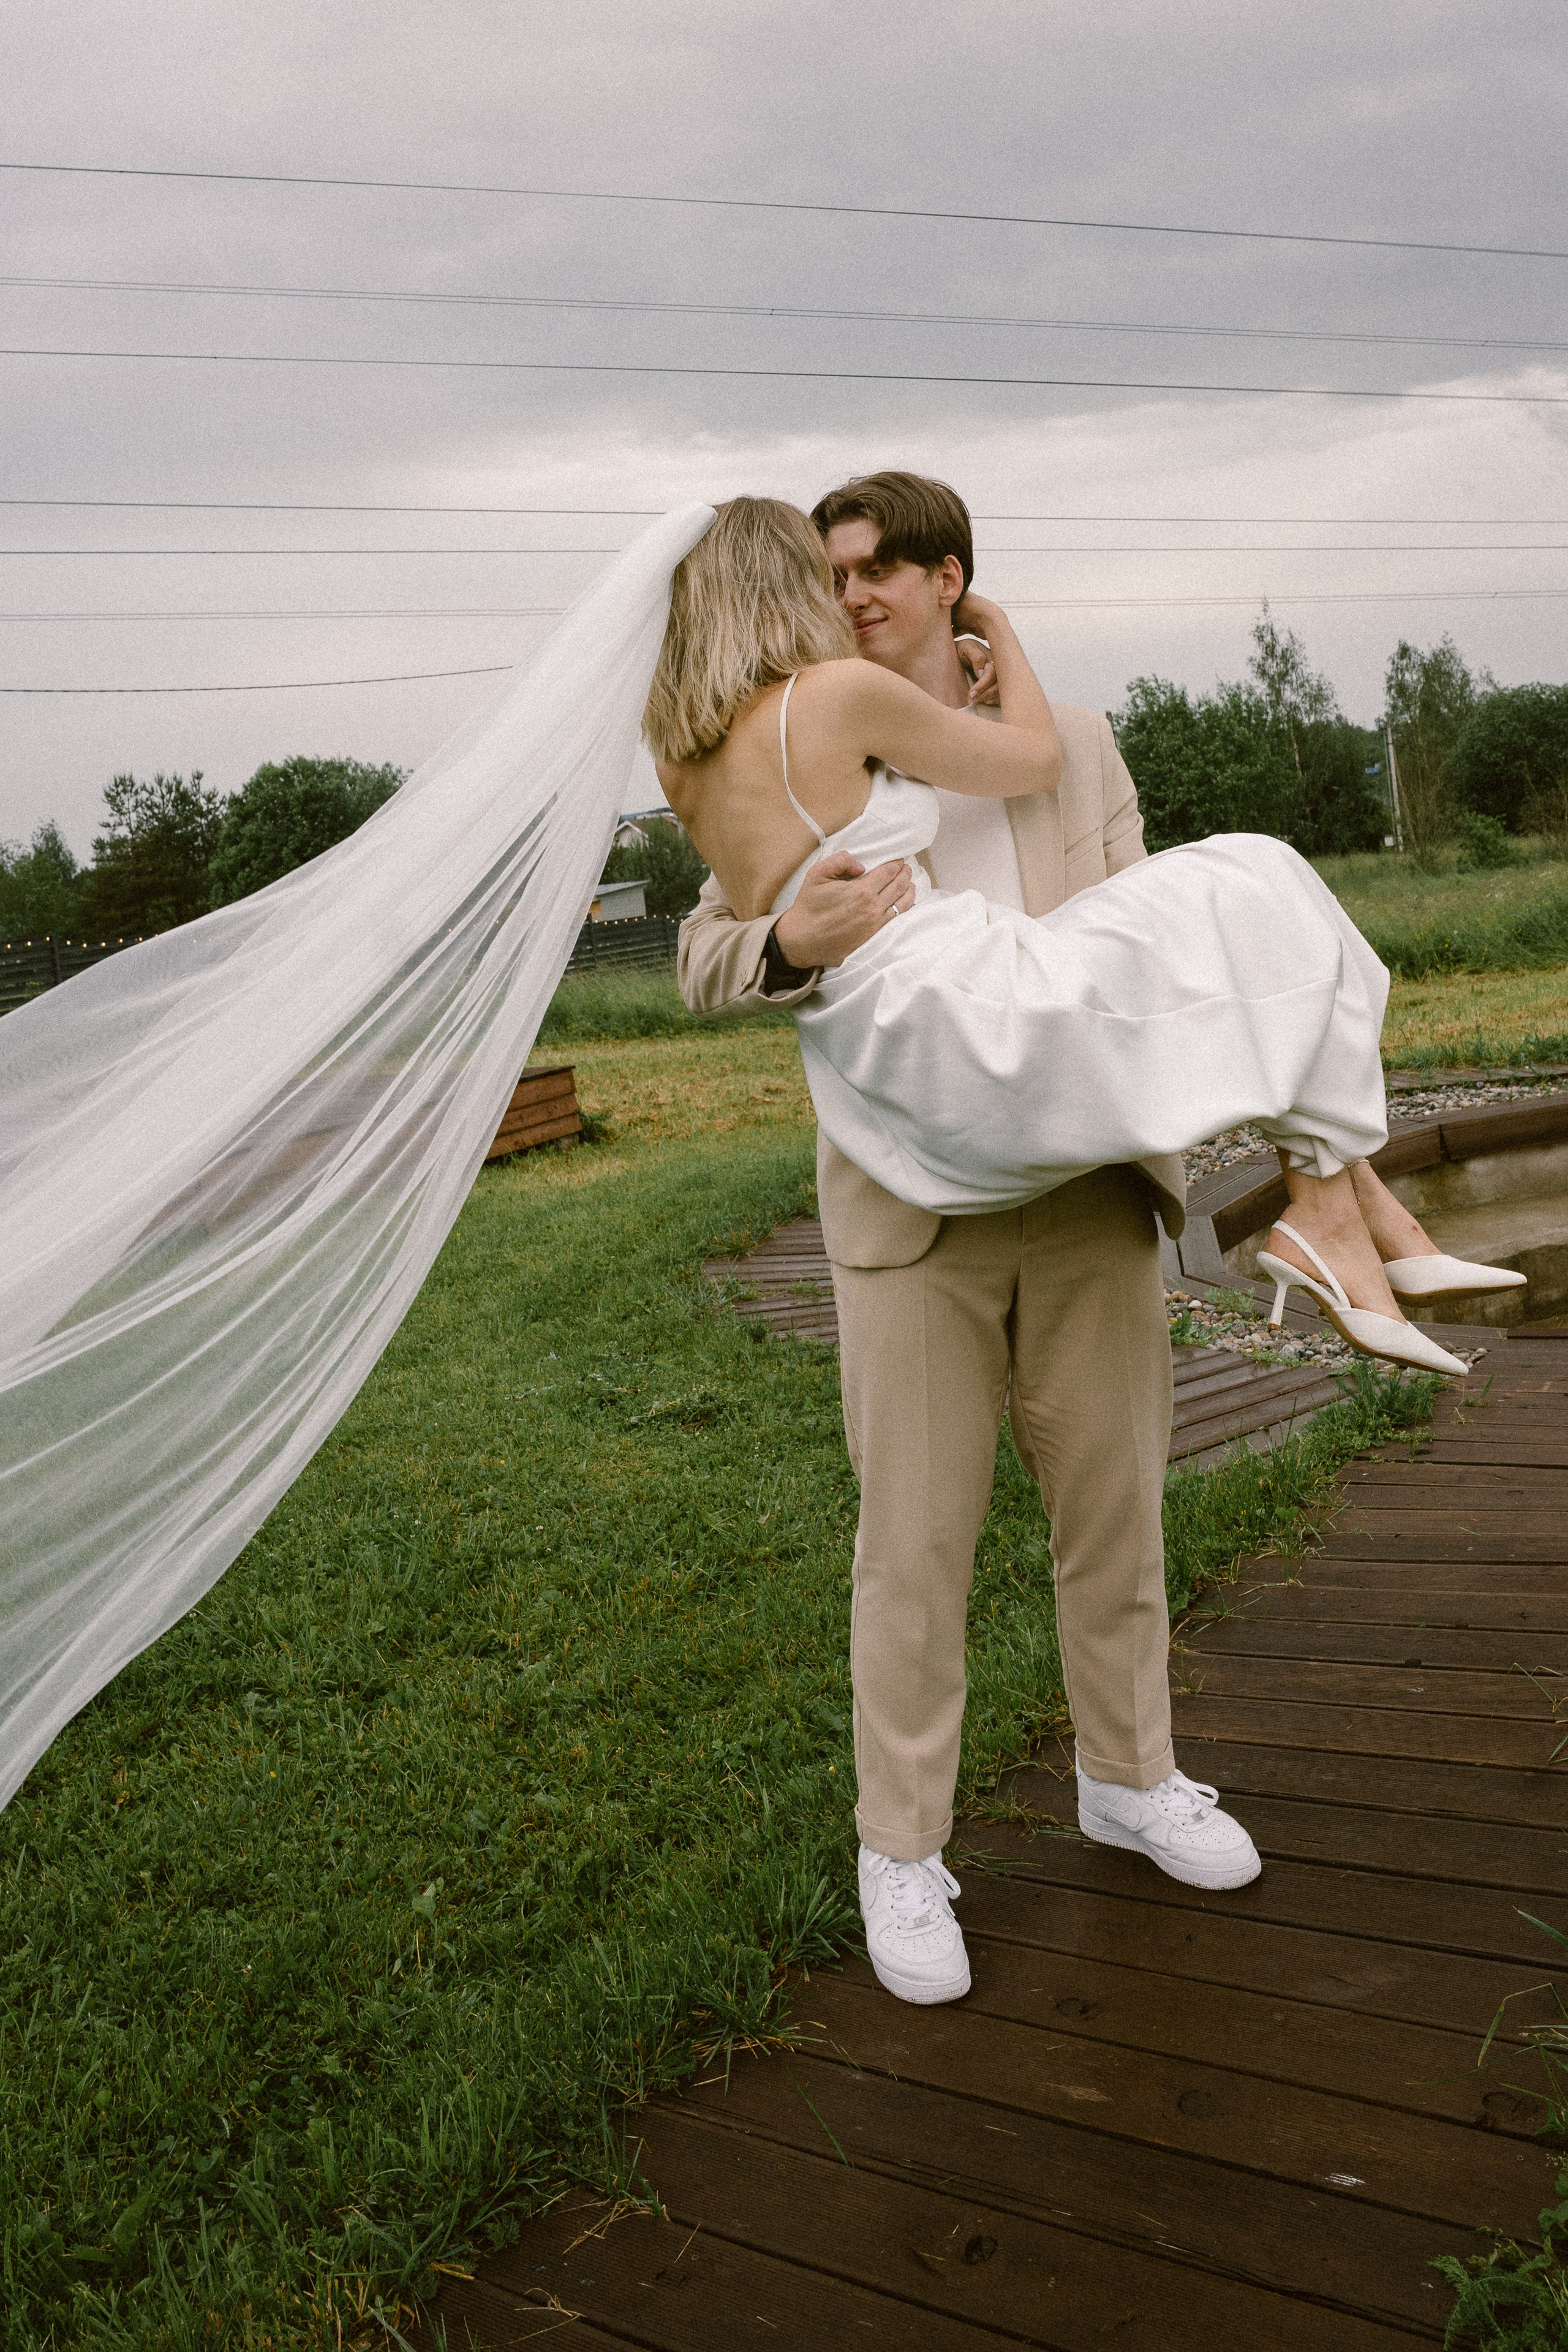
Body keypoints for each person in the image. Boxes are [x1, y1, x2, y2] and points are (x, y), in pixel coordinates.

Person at [659, 481, 1508, 2010]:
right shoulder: (785, 730)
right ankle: (901, 1855)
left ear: (946, 582)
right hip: (909, 1214)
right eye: (825, 573)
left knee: (1115, 1520)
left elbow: (1142, 947)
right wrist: (790, 943)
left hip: (1084, 1197)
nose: (846, 598)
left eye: (872, 575)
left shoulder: (1076, 741)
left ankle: (1131, 1779)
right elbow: (705, 941)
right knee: (909, 1548)